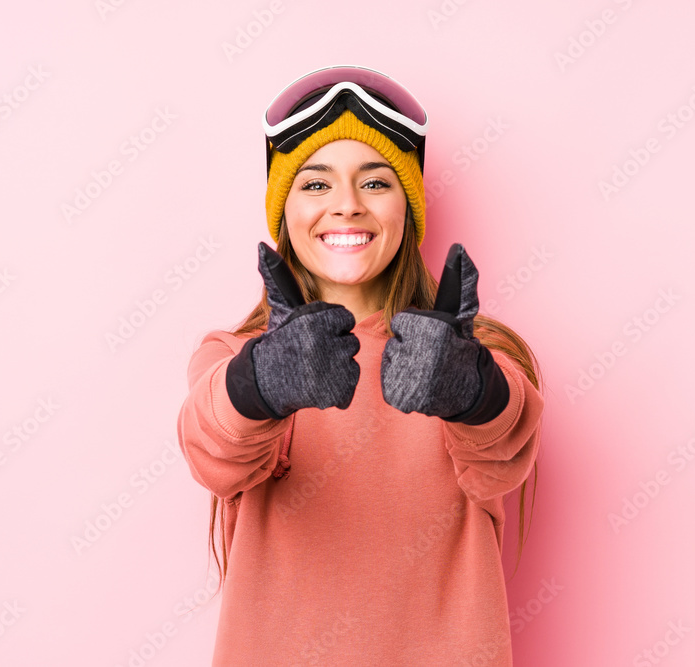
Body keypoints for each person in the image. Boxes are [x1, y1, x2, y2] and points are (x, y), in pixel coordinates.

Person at [177, 65, 545, 666]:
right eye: (316, 185)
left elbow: (504, 453)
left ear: (409, 206)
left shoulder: (478, 354)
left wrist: (471, 387)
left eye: (376, 183)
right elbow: (211, 447)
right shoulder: (231, 355)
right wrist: (262, 382)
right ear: (284, 209)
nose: (346, 206)